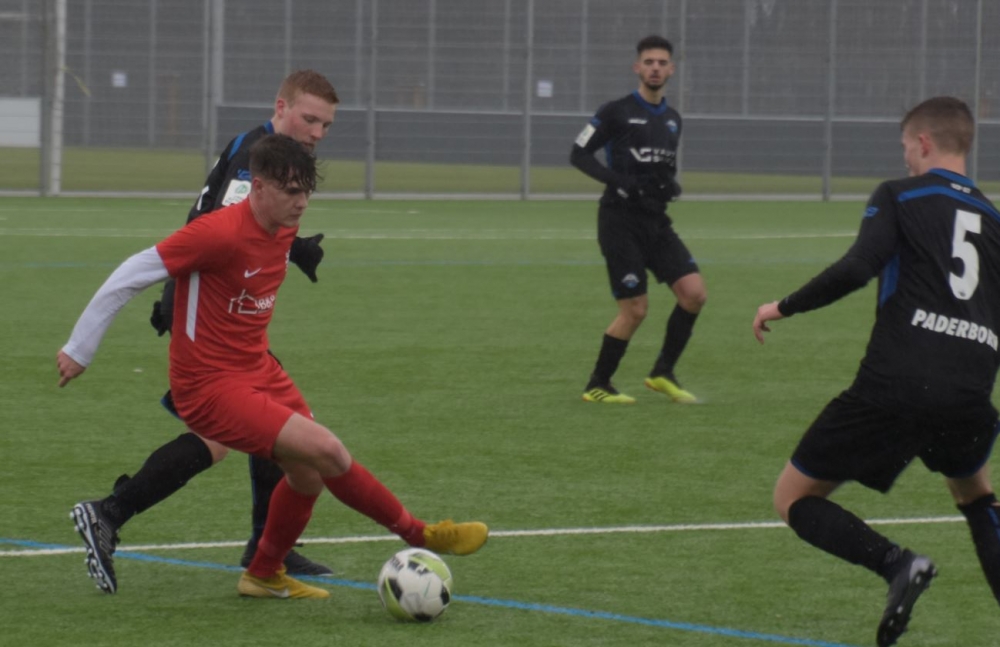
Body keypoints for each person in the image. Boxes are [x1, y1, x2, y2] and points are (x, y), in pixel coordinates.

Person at [60, 134, 489, 598]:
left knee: (308, 473)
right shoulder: (219, 232)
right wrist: (80, 349)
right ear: (258, 187)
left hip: (258, 369)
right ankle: (420, 534)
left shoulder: (283, 224)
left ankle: (263, 574)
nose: (301, 203)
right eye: (291, 192)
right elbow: (130, 273)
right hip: (209, 385)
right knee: (328, 450)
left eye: (307, 192)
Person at [71, 70, 339, 580]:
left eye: (326, 125)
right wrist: (174, 299)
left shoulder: (265, 151)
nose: (317, 132)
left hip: (217, 311)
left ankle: (120, 516)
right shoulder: (257, 156)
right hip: (210, 314)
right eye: (310, 119)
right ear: (280, 107)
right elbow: (227, 231)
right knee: (257, 427)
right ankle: (115, 514)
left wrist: (295, 247)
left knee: (242, 434)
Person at [753, 96, 1000, 646]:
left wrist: (783, 306)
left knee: (792, 498)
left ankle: (897, 564)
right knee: (977, 498)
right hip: (970, 389)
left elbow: (858, 267)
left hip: (897, 384)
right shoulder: (996, 219)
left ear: (924, 143)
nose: (905, 158)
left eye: (906, 147)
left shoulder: (899, 194)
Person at [570, 34, 706, 405]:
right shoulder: (615, 111)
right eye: (649, 62)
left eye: (662, 63)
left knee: (694, 294)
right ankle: (598, 384)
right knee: (635, 310)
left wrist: (668, 185)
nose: (655, 68)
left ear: (671, 69)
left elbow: (659, 167)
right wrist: (620, 182)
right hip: (619, 222)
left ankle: (663, 372)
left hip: (656, 223)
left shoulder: (673, 120)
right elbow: (579, 154)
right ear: (637, 68)